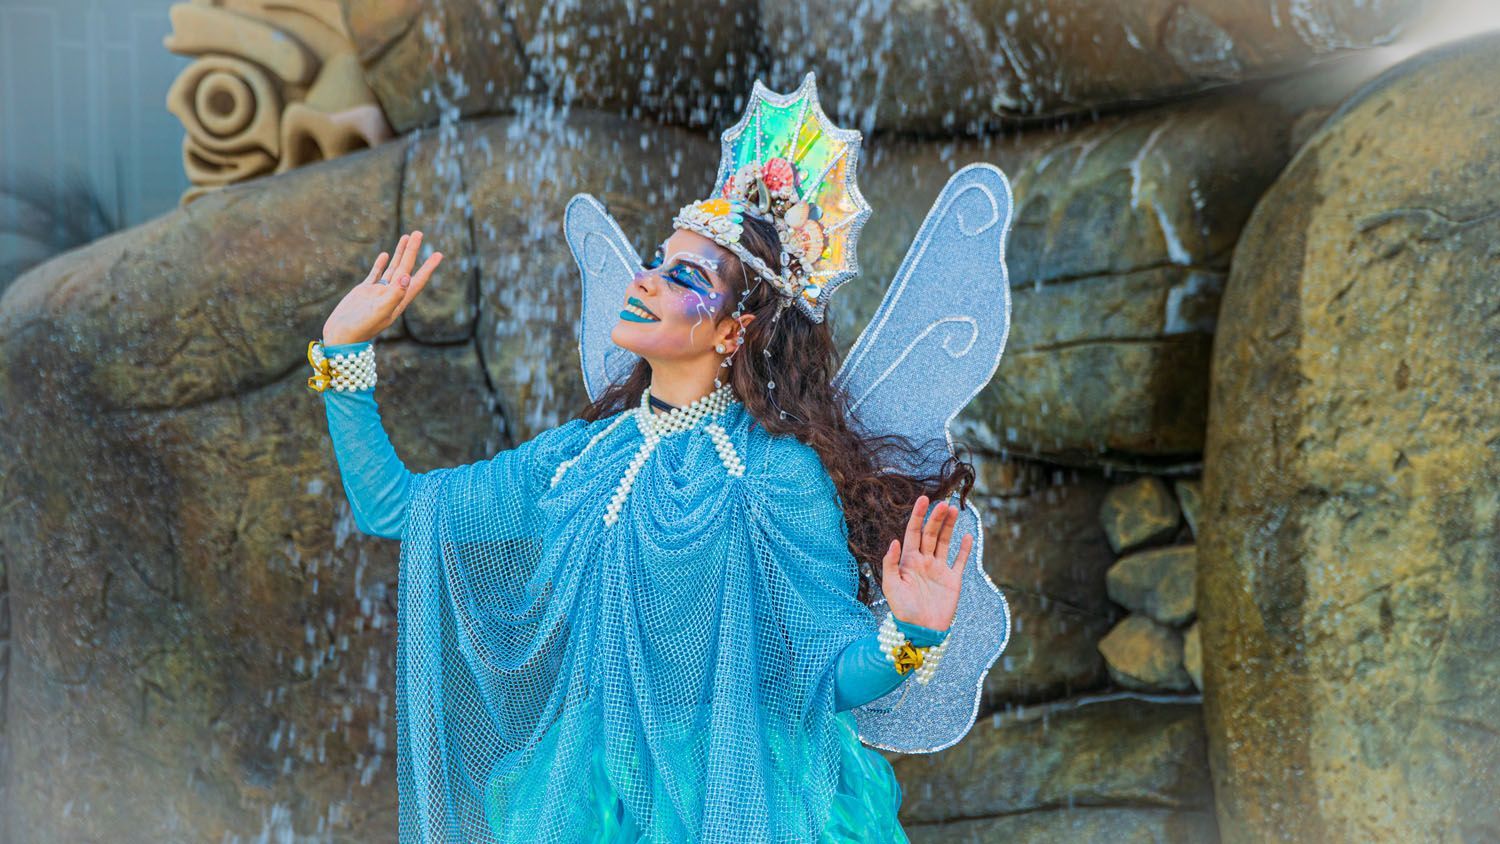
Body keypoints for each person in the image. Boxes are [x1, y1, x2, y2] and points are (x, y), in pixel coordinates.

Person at [308, 75, 1010, 843]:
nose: (643, 279)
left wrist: (911, 636)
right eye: (655, 260)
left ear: (734, 331)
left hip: (746, 804)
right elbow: (394, 509)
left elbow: (826, 678)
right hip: (598, 805)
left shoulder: (773, 474)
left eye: (684, 276)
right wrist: (343, 353)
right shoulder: (577, 461)